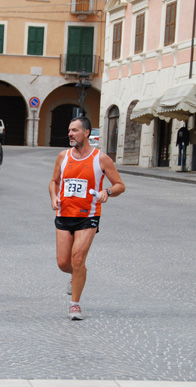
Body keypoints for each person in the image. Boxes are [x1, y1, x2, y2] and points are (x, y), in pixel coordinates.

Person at [48, 116, 125, 320]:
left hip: (88, 215)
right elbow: (54, 181)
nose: (70, 134)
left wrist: (107, 192)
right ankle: (76, 275)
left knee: (78, 259)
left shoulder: (101, 159)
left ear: (86, 133)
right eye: (69, 130)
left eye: (74, 130)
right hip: (64, 214)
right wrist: (54, 196)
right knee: (63, 263)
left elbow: (120, 185)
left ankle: (75, 305)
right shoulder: (63, 156)